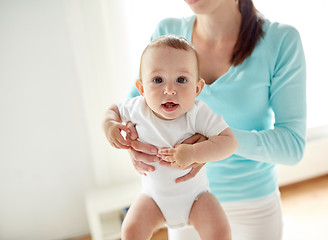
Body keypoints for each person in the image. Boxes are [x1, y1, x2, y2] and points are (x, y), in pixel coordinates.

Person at [105, 0, 307, 239]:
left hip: (252, 205)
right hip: (178, 197)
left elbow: (292, 146)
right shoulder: (167, 34)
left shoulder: (281, 41)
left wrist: (212, 144)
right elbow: (132, 111)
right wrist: (130, 143)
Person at [103, 34, 237, 240]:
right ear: (141, 88)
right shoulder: (137, 108)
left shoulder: (198, 113)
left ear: (197, 88)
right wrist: (110, 125)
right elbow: (112, 110)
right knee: (130, 230)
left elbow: (229, 142)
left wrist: (194, 152)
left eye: (181, 80)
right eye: (157, 80)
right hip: (153, 200)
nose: (170, 90)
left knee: (220, 231)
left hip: (196, 199)